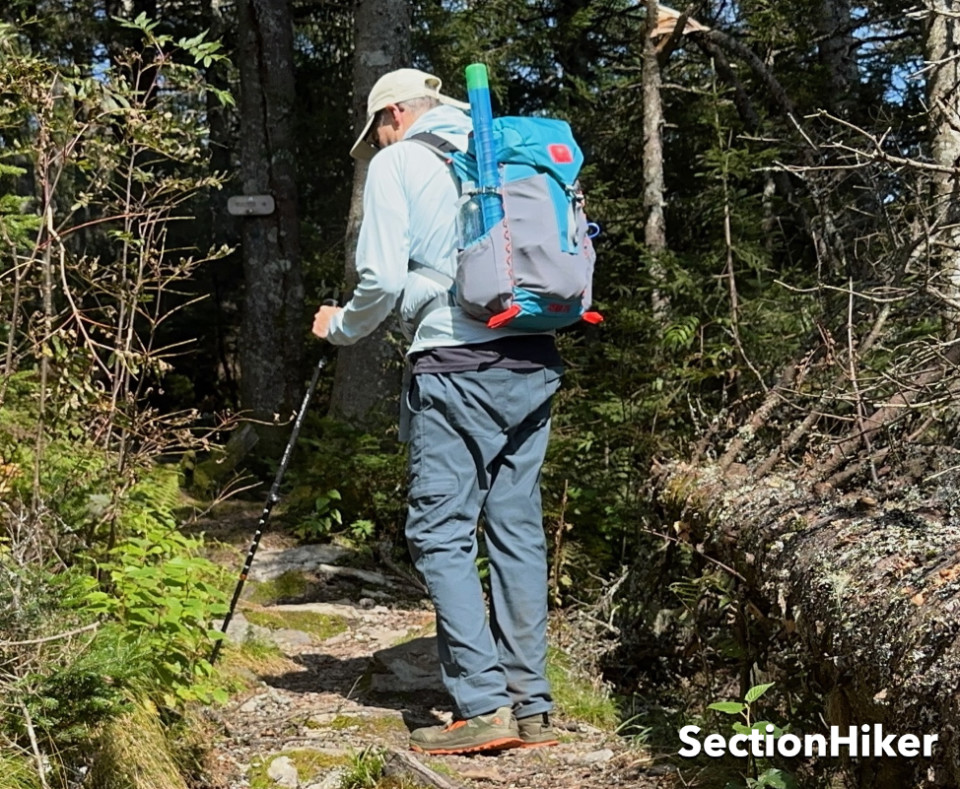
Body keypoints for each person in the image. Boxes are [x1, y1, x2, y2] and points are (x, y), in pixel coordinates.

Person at [311, 68, 562, 755]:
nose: (380, 142)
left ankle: (483, 704)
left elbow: (385, 279)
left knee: (440, 531)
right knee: (516, 527)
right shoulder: (495, 150)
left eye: (379, 129)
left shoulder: (400, 163)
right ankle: (532, 704)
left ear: (395, 114)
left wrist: (339, 328)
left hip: (458, 362)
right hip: (534, 354)